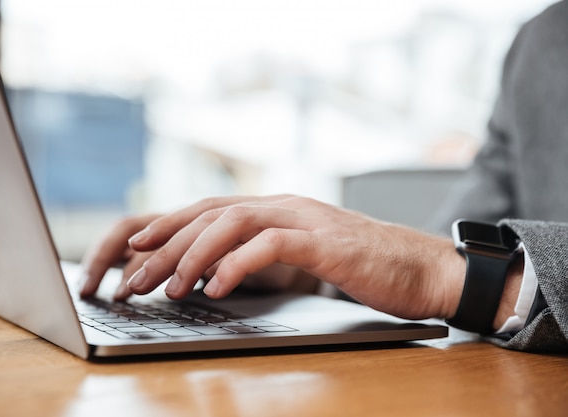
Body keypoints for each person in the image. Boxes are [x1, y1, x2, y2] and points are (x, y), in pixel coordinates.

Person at [80, 1, 568, 353]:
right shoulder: (544, 41)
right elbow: (458, 253)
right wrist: (302, 269)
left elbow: (443, 273)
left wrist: (437, 272)